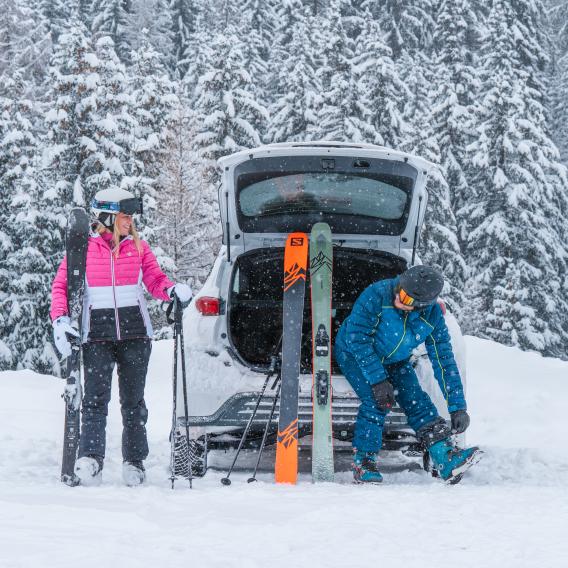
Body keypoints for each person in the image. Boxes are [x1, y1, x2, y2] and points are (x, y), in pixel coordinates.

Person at [50, 188, 192, 486]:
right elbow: (60, 287)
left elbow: (155, 278)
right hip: (96, 335)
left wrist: (170, 292)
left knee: (133, 402)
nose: (130, 222)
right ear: (107, 217)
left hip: (135, 335)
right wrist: (60, 320)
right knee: (95, 401)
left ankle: (134, 462)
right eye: (125, 216)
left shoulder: (138, 247)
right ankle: (91, 458)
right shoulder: (82, 249)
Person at [334, 265, 481, 484]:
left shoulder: (432, 317)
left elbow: (444, 361)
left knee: (417, 400)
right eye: (400, 290)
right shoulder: (377, 295)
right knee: (376, 401)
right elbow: (357, 338)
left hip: (395, 360)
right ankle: (364, 462)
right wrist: (377, 379)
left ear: (423, 305)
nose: (399, 298)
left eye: (407, 298)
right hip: (353, 353)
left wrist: (457, 406)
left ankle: (445, 458)